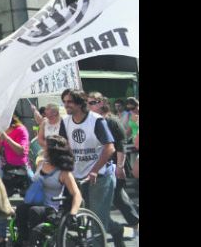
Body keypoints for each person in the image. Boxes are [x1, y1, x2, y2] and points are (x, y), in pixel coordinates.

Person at [58, 89, 121, 247]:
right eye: (64, 102)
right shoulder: (65, 121)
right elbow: (63, 147)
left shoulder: (96, 120)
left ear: (80, 102)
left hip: (100, 176)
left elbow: (110, 148)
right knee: (87, 217)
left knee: (96, 220)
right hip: (78, 175)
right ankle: (117, 229)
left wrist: (94, 170)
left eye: (70, 102)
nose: (66, 105)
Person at [14, 135, 82, 246]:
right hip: (35, 203)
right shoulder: (41, 165)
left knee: (34, 211)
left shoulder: (64, 173)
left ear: (53, 151)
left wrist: (73, 213)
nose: (43, 150)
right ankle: (23, 239)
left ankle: (34, 240)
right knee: (21, 209)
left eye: (45, 148)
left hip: (51, 208)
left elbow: (76, 194)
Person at [87, 93, 139, 233]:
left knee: (117, 197)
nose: (89, 105)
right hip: (103, 165)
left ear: (102, 103)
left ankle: (131, 225)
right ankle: (126, 225)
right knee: (117, 197)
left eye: (92, 102)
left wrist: (120, 167)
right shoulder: (93, 121)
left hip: (116, 164)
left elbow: (120, 145)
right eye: (88, 102)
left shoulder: (111, 121)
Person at [0, 114, 32, 247]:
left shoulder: (21, 130)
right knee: (0, 203)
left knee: (30, 202)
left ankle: (26, 235)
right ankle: (1, 236)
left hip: (22, 170)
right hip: (8, 170)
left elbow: (21, 151)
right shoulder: (2, 130)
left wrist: (7, 138)